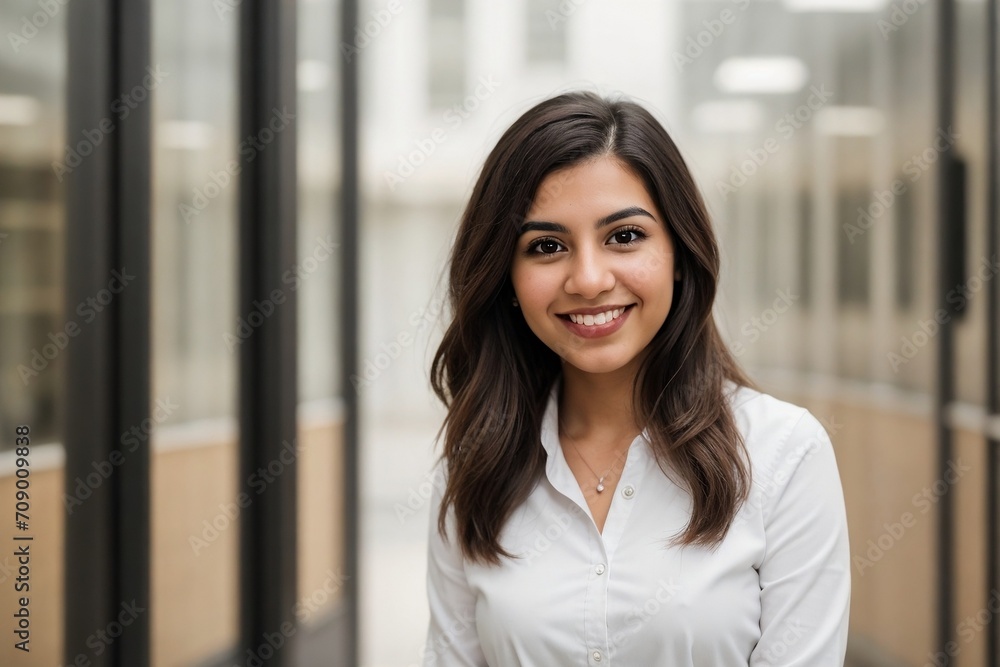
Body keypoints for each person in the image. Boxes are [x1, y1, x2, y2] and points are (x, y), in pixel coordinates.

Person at [422, 90, 850, 666]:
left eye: (624, 236)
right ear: (507, 279)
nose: (590, 279)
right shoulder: (477, 462)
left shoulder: (782, 453)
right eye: (547, 246)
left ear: (680, 252)